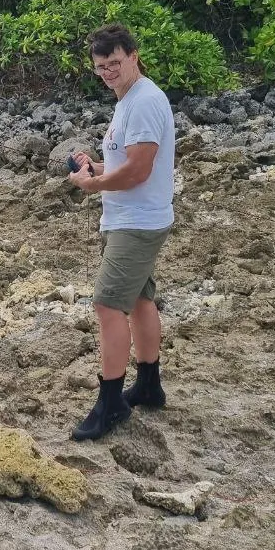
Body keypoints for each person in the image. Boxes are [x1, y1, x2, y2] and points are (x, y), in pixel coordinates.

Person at [67, 23, 175, 441]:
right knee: (141, 300)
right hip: (131, 219)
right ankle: (149, 385)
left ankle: (110, 403)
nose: (108, 71)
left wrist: (94, 185)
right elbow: (125, 163)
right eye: (100, 67)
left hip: (137, 223)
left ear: (132, 55)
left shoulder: (145, 100)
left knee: (108, 307)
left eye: (114, 62)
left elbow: (139, 169)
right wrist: (94, 166)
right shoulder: (128, 100)